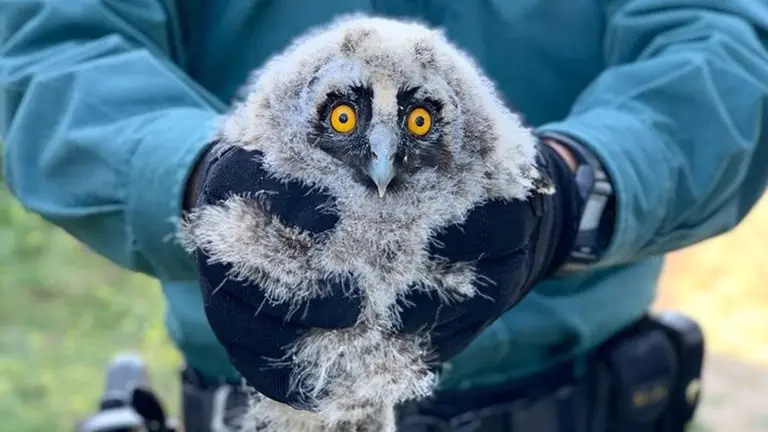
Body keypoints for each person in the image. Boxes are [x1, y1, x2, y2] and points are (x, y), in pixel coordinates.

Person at [2, 1, 767, 431]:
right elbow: (55, 45)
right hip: (262, 409)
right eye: (346, 120)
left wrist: (574, 190)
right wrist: (204, 184)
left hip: (580, 401)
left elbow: (725, 40)